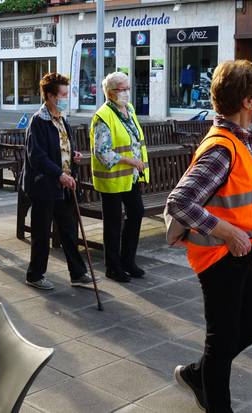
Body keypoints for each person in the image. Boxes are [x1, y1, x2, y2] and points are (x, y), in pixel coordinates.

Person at [166, 60, 252, 413]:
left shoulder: (240, 141)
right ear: (247, 101)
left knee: (251, 329)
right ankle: (214, 398)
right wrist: (228, 232)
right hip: (220, 259)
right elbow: (180, 203)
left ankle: (199, 375)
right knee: (223, 341)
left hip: (248, 254)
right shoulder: (222, 147)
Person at [21, 72, 98, 290]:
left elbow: (62, 146)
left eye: (66, 93)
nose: (65, 98)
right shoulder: (38, 121)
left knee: (69, 231)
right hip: (45, 186)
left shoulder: (62, 119)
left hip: (63, 185)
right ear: (49, 95)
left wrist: (73, 155)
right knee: (42, 233)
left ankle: (78, 273)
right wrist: (59, 174)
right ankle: (35, 275)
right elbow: (37, 156)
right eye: (62, 94)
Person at [89, 71, 149, 283]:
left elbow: (134, 140)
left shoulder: (128, 110)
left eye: (127, 88)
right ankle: (113, 267)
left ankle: (128, 261)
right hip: (112, 177)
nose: (126, 93)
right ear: (111, 92)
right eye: (122, 89)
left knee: (136, 213)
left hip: (130, 177)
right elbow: (102, 152)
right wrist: (130, 161)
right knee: (113, 223)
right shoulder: (103, 116)